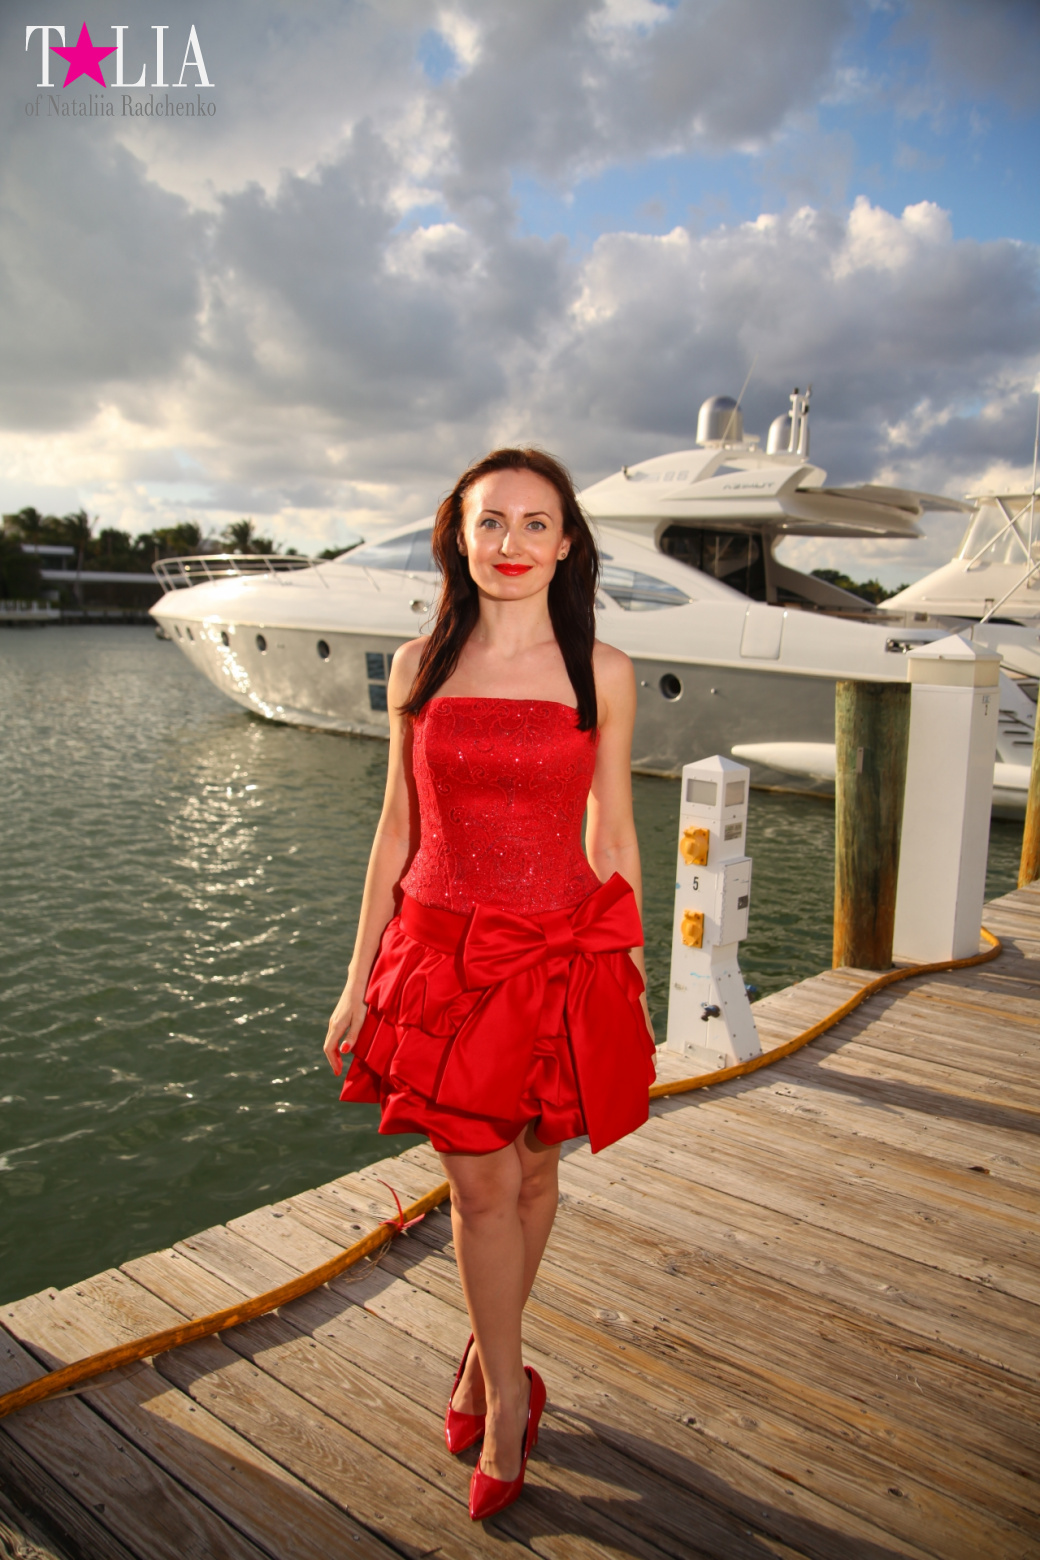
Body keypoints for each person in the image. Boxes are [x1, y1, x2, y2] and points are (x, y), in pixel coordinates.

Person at [324, 447, 656, 1521]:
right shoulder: (418, 662)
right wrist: (355, 975)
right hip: (442, 953)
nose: (510, 544)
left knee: (535, 1172)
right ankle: (511, 1399)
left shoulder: (596, 670)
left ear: (565, 544)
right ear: (457, 537)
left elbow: (612, 822)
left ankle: (485, 1360)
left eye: (533, 524)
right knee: (477, 1186)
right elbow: (393, 829)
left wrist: (628, 958)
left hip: (559, 953)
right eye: (489, 523)